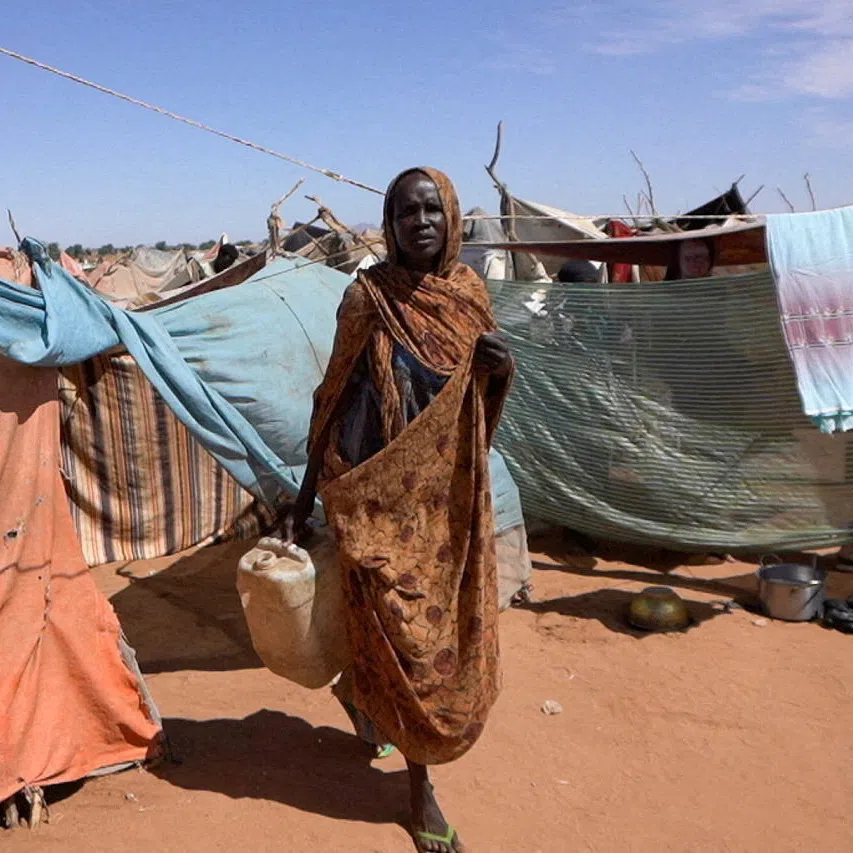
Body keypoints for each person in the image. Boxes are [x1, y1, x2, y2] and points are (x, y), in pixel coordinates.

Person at [281, 167, 514, 853]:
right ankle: (421, 788)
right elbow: (331, 396)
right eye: (406, 212)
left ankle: (372, 706)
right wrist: (301, 500)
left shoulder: (467, 294)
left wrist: (499, 369)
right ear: (389, 223)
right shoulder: (366, 297)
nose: (419, 223)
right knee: (396, 630)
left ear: (450, 220)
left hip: (444, 504)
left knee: (426, 640)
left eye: (431, 211)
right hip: (373, 494)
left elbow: (476, 402)